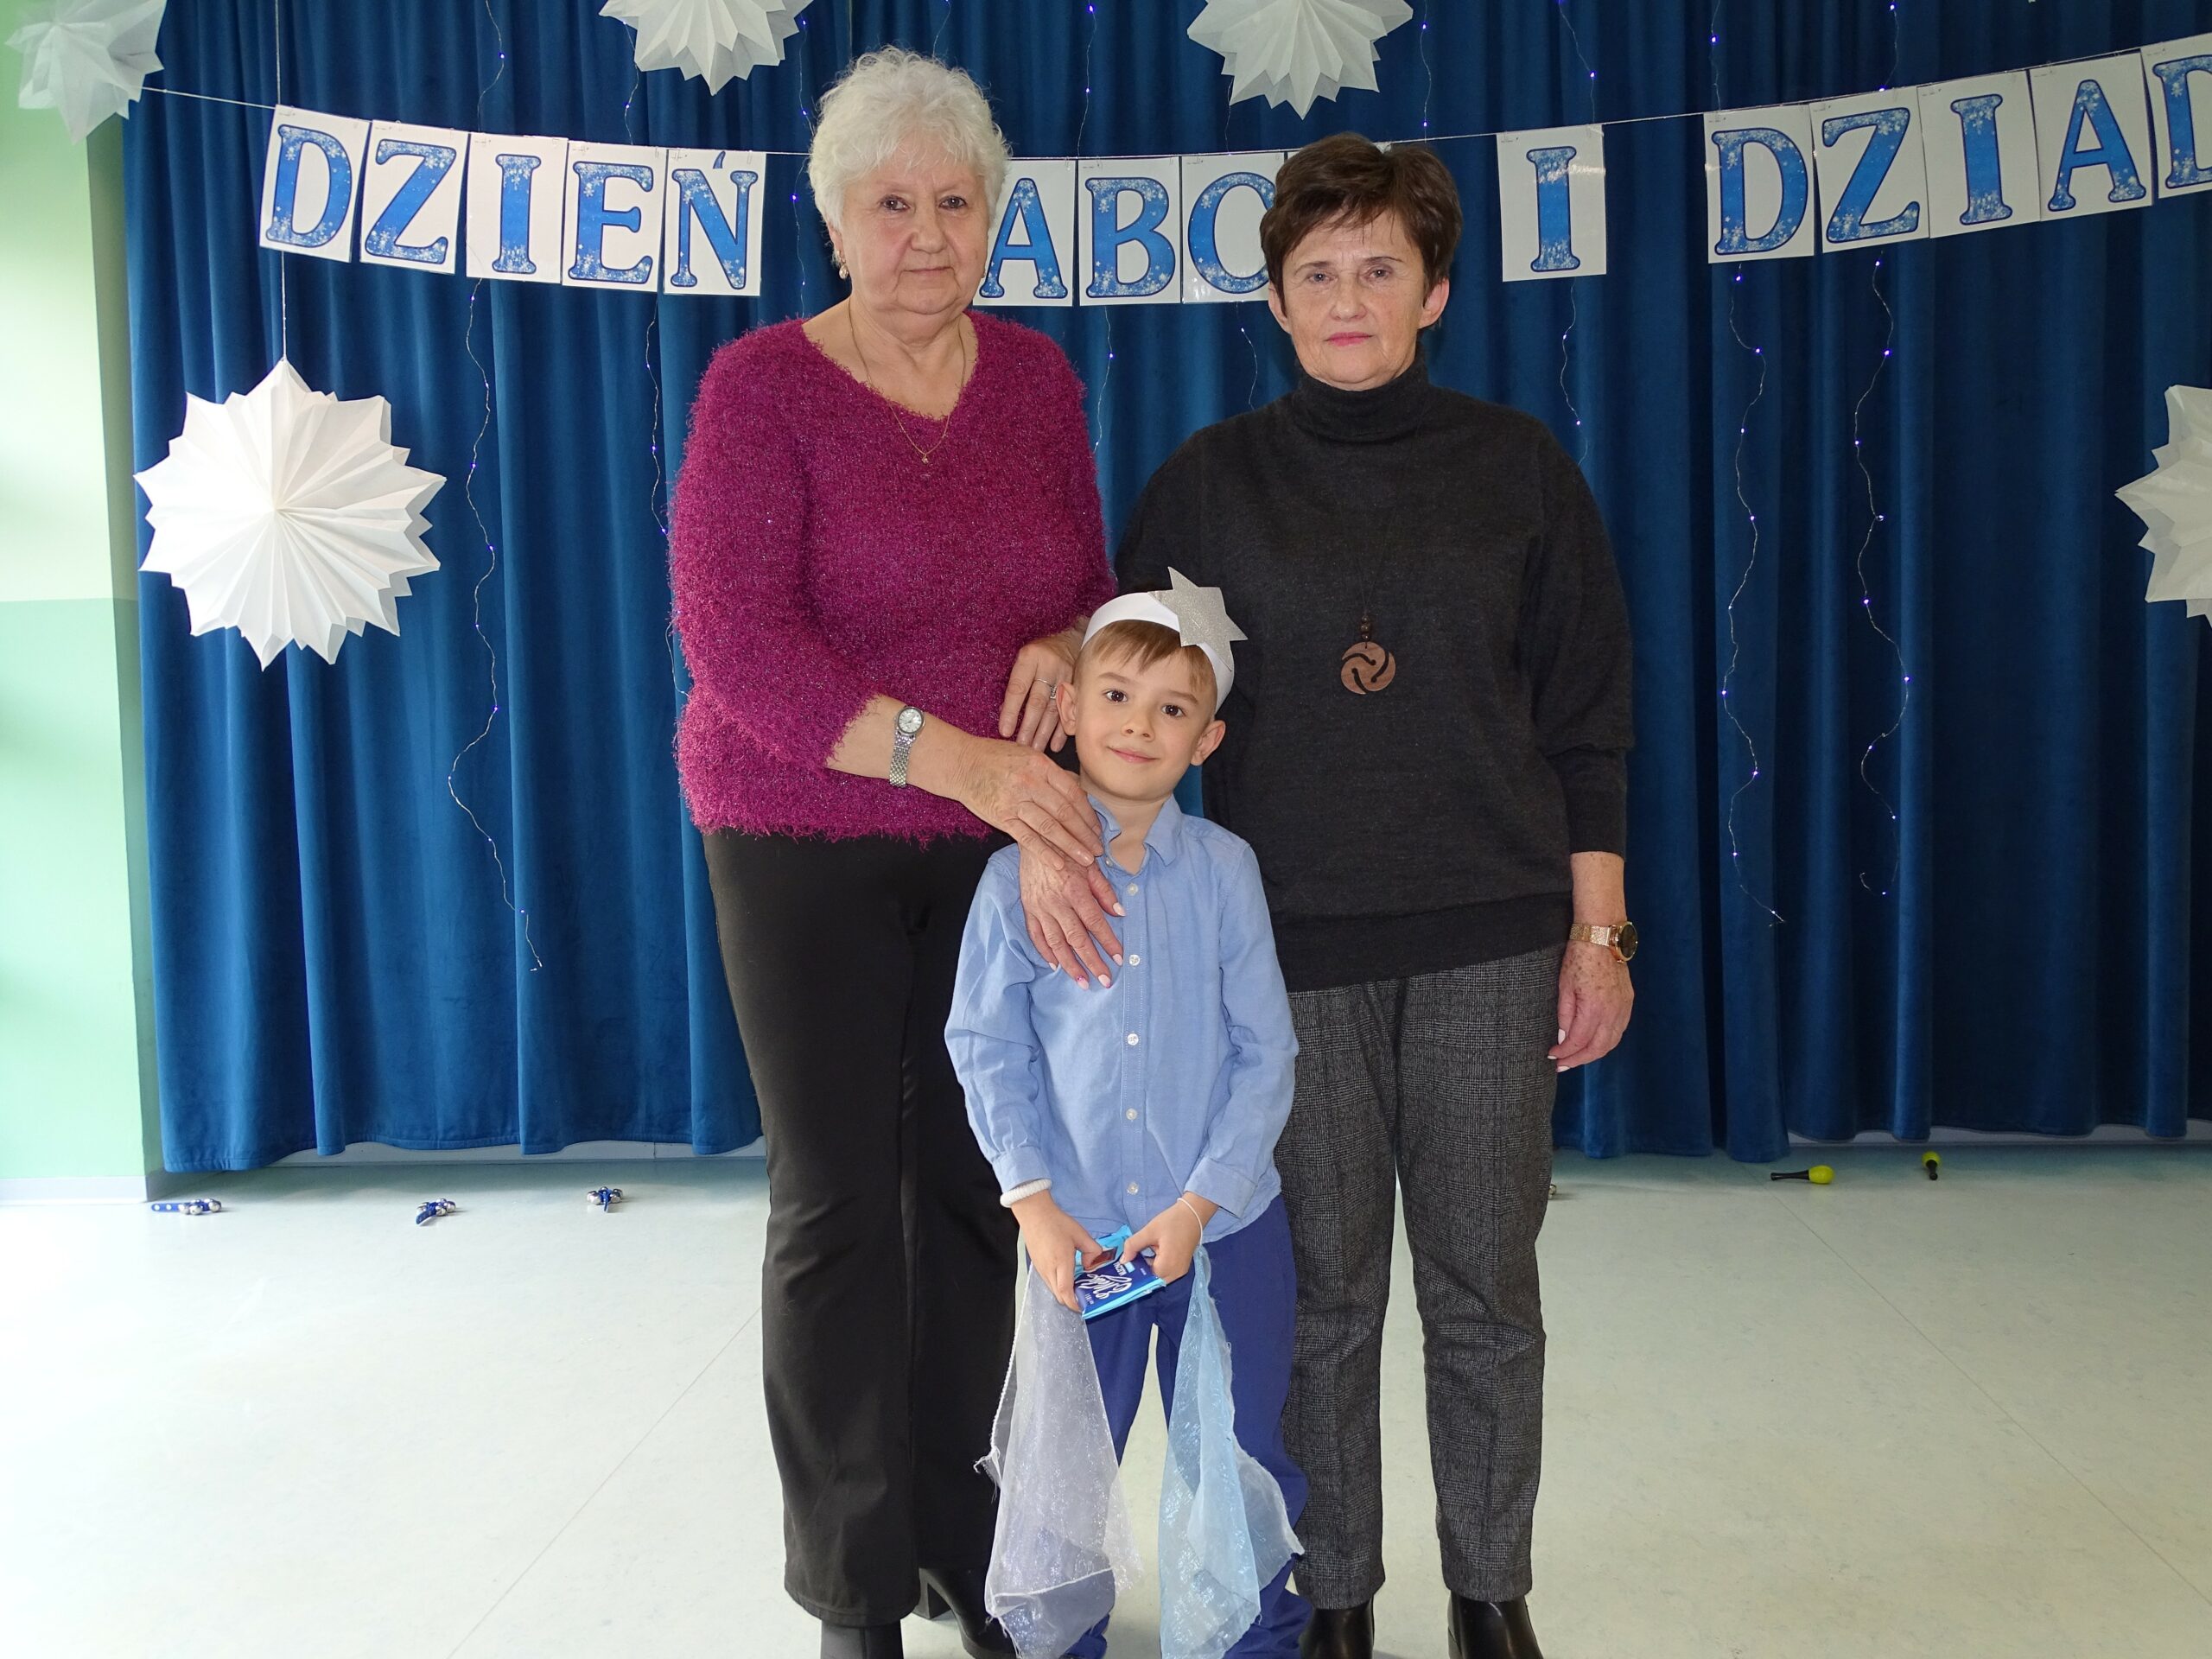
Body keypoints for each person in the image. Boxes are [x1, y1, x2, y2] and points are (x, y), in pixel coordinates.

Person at [1024, 134, 1637, 1659]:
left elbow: (1590, 724)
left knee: (1486, 1289)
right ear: (1277, 300)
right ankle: (1338, 1595)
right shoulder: (1208, 486)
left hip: (1494, 943)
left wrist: (1598, 934)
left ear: (1435, 292)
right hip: (1281, 958)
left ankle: (1491, 1595)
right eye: (1318, 273)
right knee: (1322, 1303)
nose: (1348, 299)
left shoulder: (1519, 470)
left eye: (1380, 269)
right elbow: (1124, 707)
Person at [667, 48, 1122, 1659]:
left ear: (991, 217)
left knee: (983, 1193)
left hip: (988, 848)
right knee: (840, 1204)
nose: (926, 235)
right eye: (891, 205)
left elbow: (1087, 583)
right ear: (834, 222)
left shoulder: (1039, 384)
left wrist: (1067, 644)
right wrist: (962, 755)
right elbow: (738, 647)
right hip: (797, 830)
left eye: (954, 202)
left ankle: (965, 1540)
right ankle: (852, 1586)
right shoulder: (760, 389)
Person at [946, 583, 1308, 1659]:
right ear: (1070, 709)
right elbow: (988, 1048)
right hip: (1081, 1231)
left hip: (1222, 1229)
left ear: (1207, 739)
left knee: (1240, 1444)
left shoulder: (1226, 872)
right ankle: (1062, 1638)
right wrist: (1034, 1206)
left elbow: (1266, 1051)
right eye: (1114, 695)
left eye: (1171, 708)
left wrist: (1200, 1205)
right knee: (1068, 1459)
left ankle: (1253, 1635)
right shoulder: (1010, 881)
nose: (1138, 726)